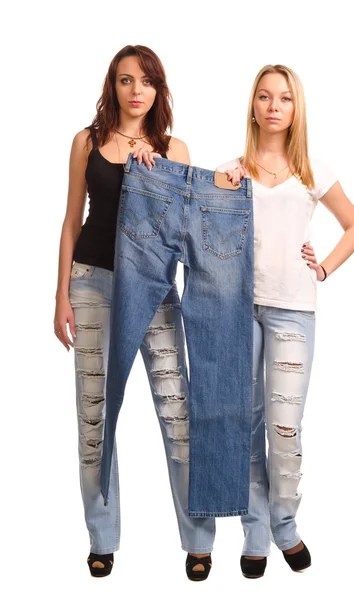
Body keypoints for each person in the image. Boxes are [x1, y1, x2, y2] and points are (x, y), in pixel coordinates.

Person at [53, 44, 212, 578]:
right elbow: (71, 221)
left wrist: (157, 176)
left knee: (178, 412)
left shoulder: (175, 149)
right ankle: (102, 538)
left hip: (154, 290)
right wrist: (60, 297)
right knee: (94, 417)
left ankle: (198, 539)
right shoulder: (87, 142)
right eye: (125, 81)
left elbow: (185, 234)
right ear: (113, 87)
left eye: (145, 81)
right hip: (91, 283)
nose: (136, 90)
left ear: (158, 88)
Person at [215, 63, 354, 578]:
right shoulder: (232, 168)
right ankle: (255, 530)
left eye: (284, 98)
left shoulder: (311, 170)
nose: (274, 105)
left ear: (295, 108)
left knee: (285, 427)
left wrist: (322, 266)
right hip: (237, 307)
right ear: (253, 107)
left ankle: (286, 523)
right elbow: (203, 233)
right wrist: (223, 188)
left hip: (293, 310)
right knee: (246, 423)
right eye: (264, 97)